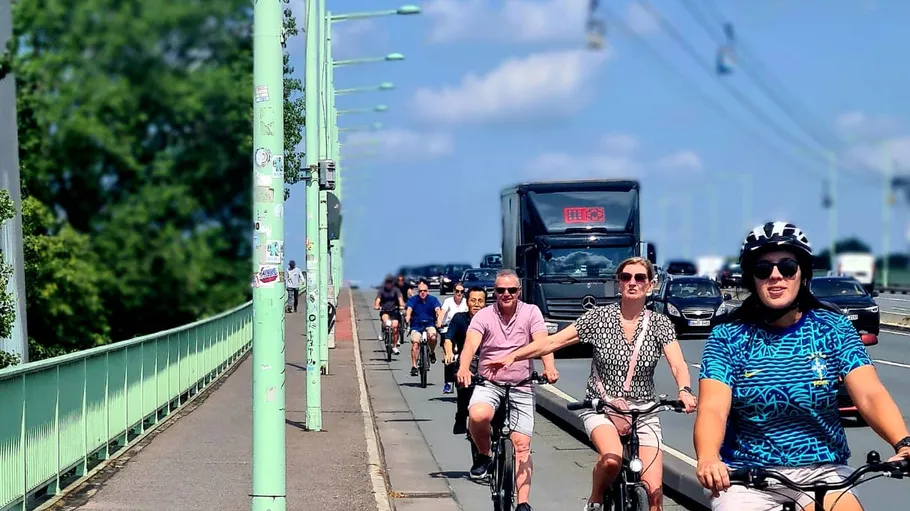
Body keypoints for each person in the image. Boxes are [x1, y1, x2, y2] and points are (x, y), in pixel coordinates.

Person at [694, 221, 910, 511]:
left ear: (803, 274)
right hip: (748, 477)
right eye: (763, 269)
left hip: (823, 471)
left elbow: (870, 393)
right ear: (751, 279)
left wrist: (903, 442)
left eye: (787, 267)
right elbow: (713, 408)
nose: (775, 276)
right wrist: (708, 458)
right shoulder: (728, 336)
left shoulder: (833, 328)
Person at [487, 257, 697, 511]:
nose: (632, 283)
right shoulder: (599, 318)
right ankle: (595, 499)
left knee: (654, 494)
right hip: (601, 407)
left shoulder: (660, 324)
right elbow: (553, 342)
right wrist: (514, 356)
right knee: (612, 460)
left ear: (650, 285)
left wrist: (684, 390)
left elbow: (678, 364)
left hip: (643, 410)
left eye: (639, 278)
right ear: (618, 284)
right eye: (626, 277)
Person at [456, 269, 559, 511]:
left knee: (522, 444)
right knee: (478, 415)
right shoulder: (483, 316)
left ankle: (523, 502)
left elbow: (542, 343)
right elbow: (471, 345)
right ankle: (484, 454)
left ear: (519, 292)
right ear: (495, 292)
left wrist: (550, 367)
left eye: (511, 290)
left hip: (521, 385)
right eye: (501, 290)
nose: (506, 294)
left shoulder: (531, 312)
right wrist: (463, 368)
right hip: (489, 383)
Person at [444, 286, 487, 435]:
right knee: (464, 389)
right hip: (467, 363)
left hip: (488, 363)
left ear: (485, 304)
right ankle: (461, 416)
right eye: (473, 300)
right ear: (467, 302)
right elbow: (449, 338)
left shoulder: (493, 319)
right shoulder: (459, 319)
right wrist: (449, 352)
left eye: (480, 301)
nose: (477, 304)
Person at [404, 280, 443, 377]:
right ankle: (414, 366)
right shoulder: (413, 300)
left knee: (433, 337)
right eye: (421, 291)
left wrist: (439, 319)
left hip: (430, 324)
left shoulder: (433, 299)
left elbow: (438, 309)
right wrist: (408, 316)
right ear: (418, 291)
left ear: (428, 291)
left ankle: (432, 352)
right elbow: (409, 309)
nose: (423, 292)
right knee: (416, 344)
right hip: (416, 326)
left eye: (424, 291)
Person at [440, 282, 469, 394]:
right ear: (454, 291)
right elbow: (442, 313)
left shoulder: (466, 303)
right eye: (457, 291)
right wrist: (439, 322)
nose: (459, 294)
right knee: (449, 356)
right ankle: (448, 383)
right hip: (448, 329)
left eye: (461, 292)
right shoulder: (448, 301)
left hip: (462, 330)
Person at [374, 275, 405, 356]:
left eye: (390, 283)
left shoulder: (396, 290)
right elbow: (378, 299)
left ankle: (394, 346)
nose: (389, 284)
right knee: (386, 321)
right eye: (387, 283)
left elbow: (400, 298)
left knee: (395, 328)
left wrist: (401, 305)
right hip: (385, 311)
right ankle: (383, 331)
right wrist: (377, 305)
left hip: (394, 311)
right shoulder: (382, 291)